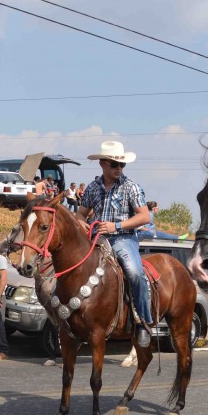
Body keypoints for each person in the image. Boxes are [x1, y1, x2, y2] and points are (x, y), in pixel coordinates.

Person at [78, 140, 154, 348]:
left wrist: (116, 226)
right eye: (114, 164)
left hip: (124, 239)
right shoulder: (92, 188)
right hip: (96, 239)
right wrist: (81, 224)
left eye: (122, 165)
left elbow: (145, 216)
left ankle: (143, 322)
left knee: (135, 273)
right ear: (102, 164)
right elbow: (81, 214)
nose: (119, 168)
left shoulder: (131, 187)